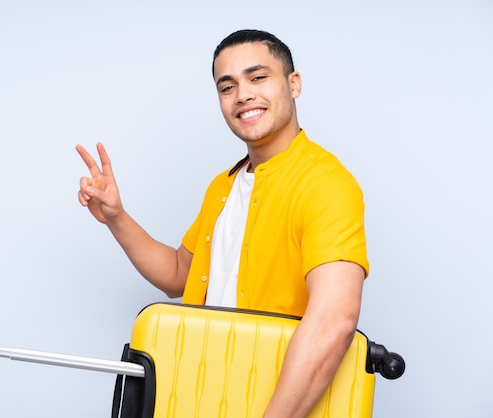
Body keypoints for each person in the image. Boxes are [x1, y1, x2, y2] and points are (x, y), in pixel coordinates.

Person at [76, 29, 368, 418]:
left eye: (258, 77)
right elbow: (180, 274)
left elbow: (334, 320)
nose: (243, 94)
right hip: (202, 392)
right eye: (227, 86)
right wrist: (116, 218)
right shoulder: (224, 186)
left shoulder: (327, 184)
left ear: (293, 84)